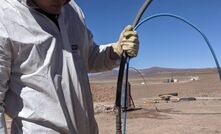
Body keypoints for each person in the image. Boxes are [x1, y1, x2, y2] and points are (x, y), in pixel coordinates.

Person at [0, 0, 139, 133]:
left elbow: (88, 56)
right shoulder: (5, 16)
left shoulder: (73, 11)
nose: (61, 2)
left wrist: (115, 51)